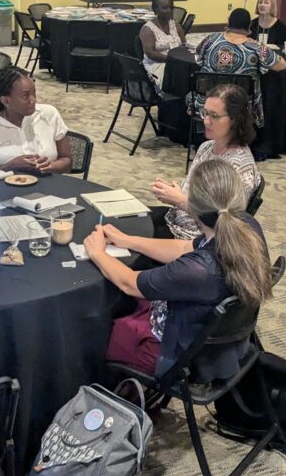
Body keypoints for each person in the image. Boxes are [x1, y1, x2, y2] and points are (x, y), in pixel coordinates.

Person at [85, 159, 272, 382]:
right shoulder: (246, 225)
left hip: (181, 353)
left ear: (191, 204)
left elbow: (129, 283)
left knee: (93, 334)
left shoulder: (198, 269)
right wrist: (129, 241)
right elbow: (184, 246)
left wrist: (98, 253)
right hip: (217, 342)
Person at [151, 84, 259, 240]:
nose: (206, 121)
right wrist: (173, 192)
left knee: (124, 243)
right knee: (121, 220)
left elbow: (223, 222)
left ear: (235, 120)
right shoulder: (207, 147)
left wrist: (179, 199)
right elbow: (195, 195)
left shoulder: (239, 167)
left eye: (214, 116)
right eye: (205, 113)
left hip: (194, 240)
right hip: (176, 220)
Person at [192, 8, 286, 127]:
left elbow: (198, 58)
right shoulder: (257, 47)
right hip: (241, 108)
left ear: (228, 22)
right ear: (249, 26)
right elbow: (281, 65)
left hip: (208, 104)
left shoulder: (210, 40)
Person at [0, 66, 72, 174]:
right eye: (25, 96)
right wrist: (9, 167)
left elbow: (67, 161)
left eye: (34, 93)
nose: (33, 100)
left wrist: (50, 166)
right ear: (6, 101)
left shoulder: (49, 114)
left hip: (50, 186)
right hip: (6, 189)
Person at [138, 0, 185, 89]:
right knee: (179, 77)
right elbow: (150, 53)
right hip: (157, 65)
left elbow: (184, 46)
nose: (169, 10)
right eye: (164, 8)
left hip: (177, 63)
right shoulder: (148, 29)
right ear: (155, 9)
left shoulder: (176, 26)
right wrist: (171, 60)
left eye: (170, 7)